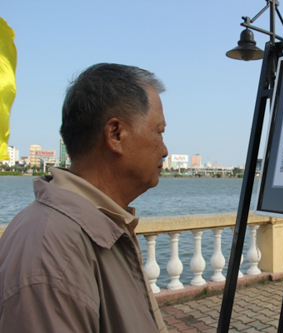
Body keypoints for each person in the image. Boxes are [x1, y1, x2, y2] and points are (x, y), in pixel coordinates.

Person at [0, 63, 169, 332]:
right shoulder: (53, 253)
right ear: (115, 134)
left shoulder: (98, 225)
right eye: (159, 131)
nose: (165, 150)